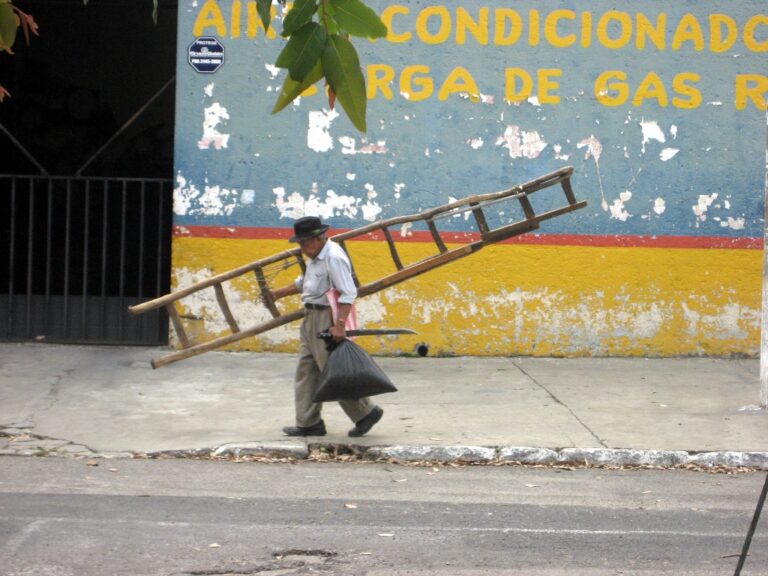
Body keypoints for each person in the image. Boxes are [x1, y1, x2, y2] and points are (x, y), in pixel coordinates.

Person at [270, 216, 384, 437]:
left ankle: (365, 412)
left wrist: (339, 325)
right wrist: (277, 294)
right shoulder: (315, 256)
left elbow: (348, 292)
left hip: (327, 317)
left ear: (318, 238)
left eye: (304, 243)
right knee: (306, 370)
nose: (302, 248)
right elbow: (305, 283)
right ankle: (308, 422)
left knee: (333, 372)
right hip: (310, 316)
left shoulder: (334, 257)